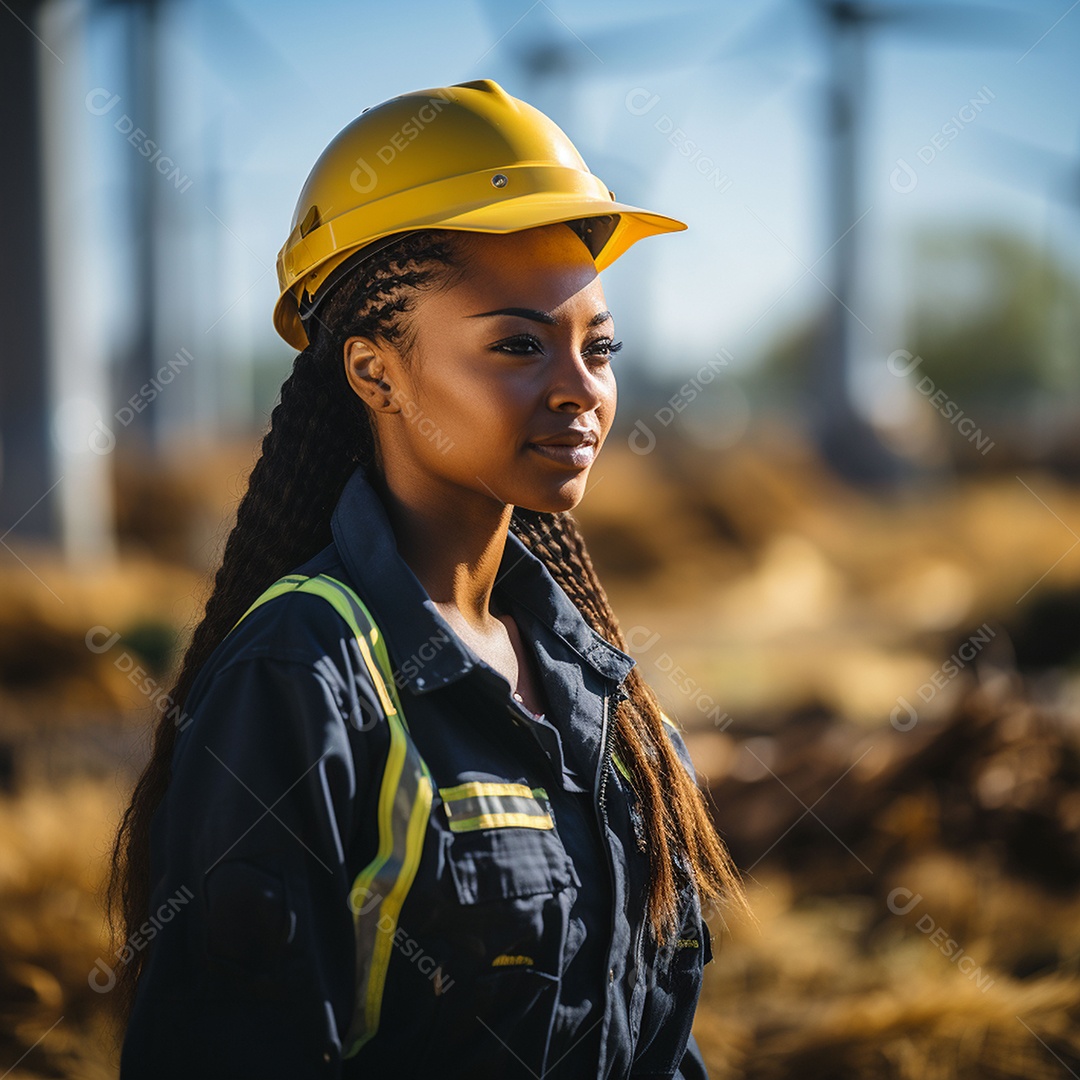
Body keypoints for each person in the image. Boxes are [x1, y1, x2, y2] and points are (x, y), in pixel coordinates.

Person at [108, 78, 753, 1078]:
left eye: (600, 347)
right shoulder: (303, 679)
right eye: (517, 345)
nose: (580, 390)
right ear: (375, 372)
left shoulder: (609, 695)